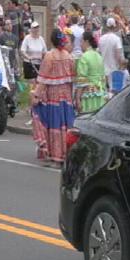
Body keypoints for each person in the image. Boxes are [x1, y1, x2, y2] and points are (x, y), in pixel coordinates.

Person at [31, 29, 76, 166]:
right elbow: (72, 78)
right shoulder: (68, 56)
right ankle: (67, 154)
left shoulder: (50, 56)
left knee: (53, 123)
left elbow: (43, 80)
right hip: (66, 95)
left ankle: (55, 154)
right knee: (66, 124)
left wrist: (36, 95)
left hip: (53, 96)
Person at [75, 33, 107, 114]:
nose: (80, 45)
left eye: (81, 42)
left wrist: (77, 98)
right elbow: (103, 76)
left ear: (86, 42)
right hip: (100, 93)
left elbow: (82, 79)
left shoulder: (84, 57)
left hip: (88, 95)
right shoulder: (99, 56)